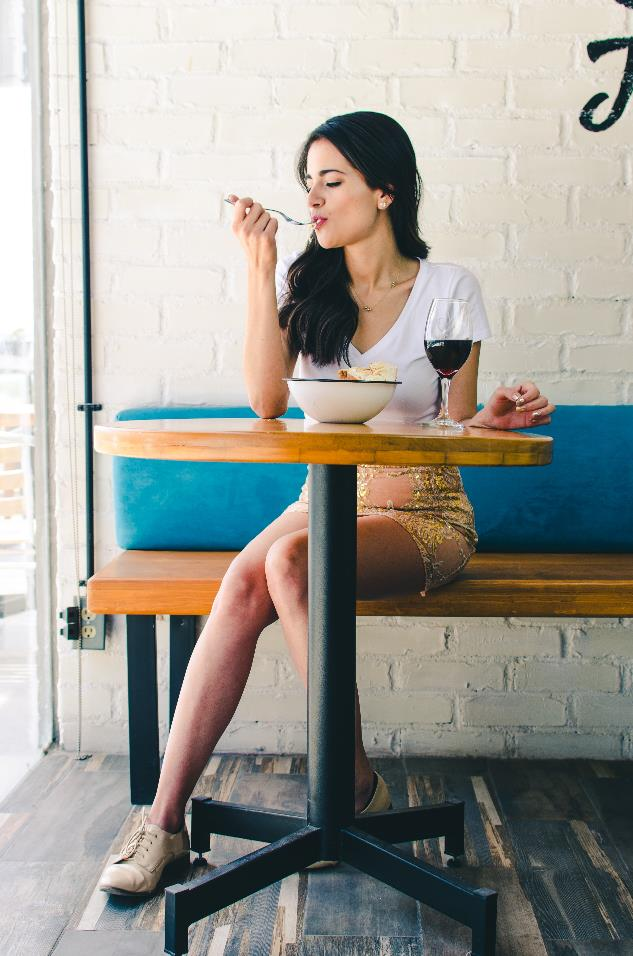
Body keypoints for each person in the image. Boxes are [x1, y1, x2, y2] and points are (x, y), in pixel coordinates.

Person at [99, 110, 556, 896]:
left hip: (422, 511)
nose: (312, 198)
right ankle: (163, 824)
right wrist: (257, 265)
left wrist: (489, 421)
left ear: (384, 190)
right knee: (248, 580)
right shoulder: (307, 285)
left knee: (286, 559)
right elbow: (265, 400)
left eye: (331, 181)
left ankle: (341, 788)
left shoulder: (448, 289)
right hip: (319, 502)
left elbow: (448, 424)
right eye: (305, 184)